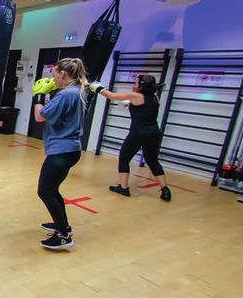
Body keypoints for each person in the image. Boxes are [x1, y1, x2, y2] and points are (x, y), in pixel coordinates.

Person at [32, 58, 88, 251]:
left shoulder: (65, 95)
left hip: (61, 150)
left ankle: (63, 235)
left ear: (63, 74)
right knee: (53, 190)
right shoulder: (77, 91)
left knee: (45, 191)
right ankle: (62, 225)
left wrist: (39, 95)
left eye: (54, 74)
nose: (52, 79)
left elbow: (39, 116)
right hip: (71, 149)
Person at [90, 74, 171, 201]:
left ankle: (124, 188)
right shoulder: (155, 98)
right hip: (154, 133)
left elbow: (111, 96)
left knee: (124, 158)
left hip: (138, 133)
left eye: (136, 83)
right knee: (153, 161)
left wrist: (97, 87)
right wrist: (130, 104)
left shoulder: (135, 96)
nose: (134, 85)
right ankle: (165, 189)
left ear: (141, 87)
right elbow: (144, 109)